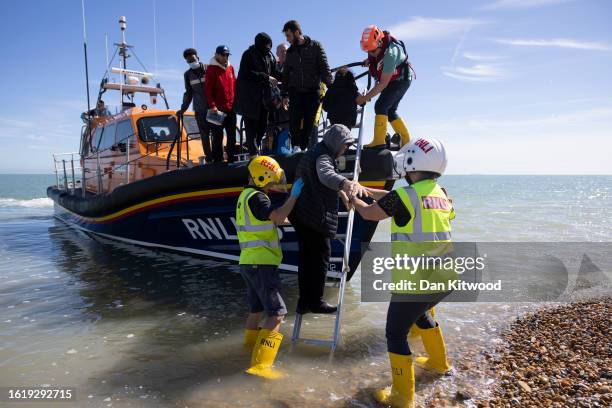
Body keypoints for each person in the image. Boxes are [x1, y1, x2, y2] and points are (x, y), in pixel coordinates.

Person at [350, 137, 454, 407]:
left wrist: (352, 198)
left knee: (395, 333)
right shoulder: (439, 193)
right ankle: (438, 363)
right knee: (421, 314)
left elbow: (372, 215)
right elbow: (396, 200)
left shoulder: (406, 196)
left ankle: (402, 397)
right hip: (445, 278)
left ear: (411, 163)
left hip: (415, 282)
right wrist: (367, 190)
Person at [289, 124, 368, 314]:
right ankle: (315, 302)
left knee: (306, 260)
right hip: (314, 216)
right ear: (336, 142)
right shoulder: (324, 157)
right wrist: (345, 183)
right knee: (320, 259)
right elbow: (325, 174)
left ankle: (304, 302)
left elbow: (318, 177)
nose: (346, 149)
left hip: (302, 214)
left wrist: (341, 192)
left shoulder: (314, 153)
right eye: (345, 145)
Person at [237, 156, 304, 379]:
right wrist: (293, 196)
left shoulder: (245, 197)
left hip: (249, 262)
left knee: (256, 311)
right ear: (261, 176)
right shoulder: (258, 198)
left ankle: (248, 350)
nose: (272, 185)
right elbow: (276, 216)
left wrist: (296, 220)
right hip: (262, 263)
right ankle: (260, 365)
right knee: (277, 314)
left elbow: (270, 219)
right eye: (270, 181)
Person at [356, 25, 413, 149]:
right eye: (368, 51)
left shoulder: (390, 55)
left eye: (373, 51)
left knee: (381, 105)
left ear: (380, 43)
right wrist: (370, 60)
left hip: (401, 80)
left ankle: (379, 142)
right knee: (390, 110)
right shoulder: (377, 50)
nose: (371, 53)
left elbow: (383, 83)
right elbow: (376, 57)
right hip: (393, 80)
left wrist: (365, 98)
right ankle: (406, 141)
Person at [281, 20, 332, 151]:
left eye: (289, 36)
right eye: (286, 36)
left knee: (310, 123)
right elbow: (286, 74)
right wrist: (284, 94)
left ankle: (305, 150)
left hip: (312, 91)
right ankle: (296, 148)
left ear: (297, 32)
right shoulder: (290, 52)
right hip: (295, 91)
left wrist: (331, 87)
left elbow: (324, 68)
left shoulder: (315, 46)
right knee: (294, 122)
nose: (287, 39)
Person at [235, 33, 281, 156]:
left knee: (262, 127)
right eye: (267, 46)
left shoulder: (269, 57)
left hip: (264, 100)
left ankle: (252, 149)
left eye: (270, 46)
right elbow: (245, 74)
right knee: (251, 129)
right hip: (249, 99)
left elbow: (276, 72)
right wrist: (266, 77)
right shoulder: (248, 54)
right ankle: (253, 153)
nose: (268, 48)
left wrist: (289, 77)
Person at [176, 48, 213, 163]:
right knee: (204, 135)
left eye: (193, 59)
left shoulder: (209, 69)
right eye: (188, 61)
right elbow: (188, 93)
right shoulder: (187, 75)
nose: (191, 62)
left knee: (218, 133)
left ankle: (219, 158)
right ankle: (209, 159)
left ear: (198, 57)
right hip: (199, 109)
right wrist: (183, 109)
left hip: (214, 108)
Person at [204, 45, 237, 163]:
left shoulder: (231, 68)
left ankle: (231, 159)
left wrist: (236, 102)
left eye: (227, 54)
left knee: (232, 136)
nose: (225, 57)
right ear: (217, 55)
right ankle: (217, 160)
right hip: (217, 109)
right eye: (223, 54)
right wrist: (212, 105)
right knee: (218, 136)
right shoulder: (211, 69)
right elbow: (208, 89)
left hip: (231, 108)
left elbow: (234, 84)